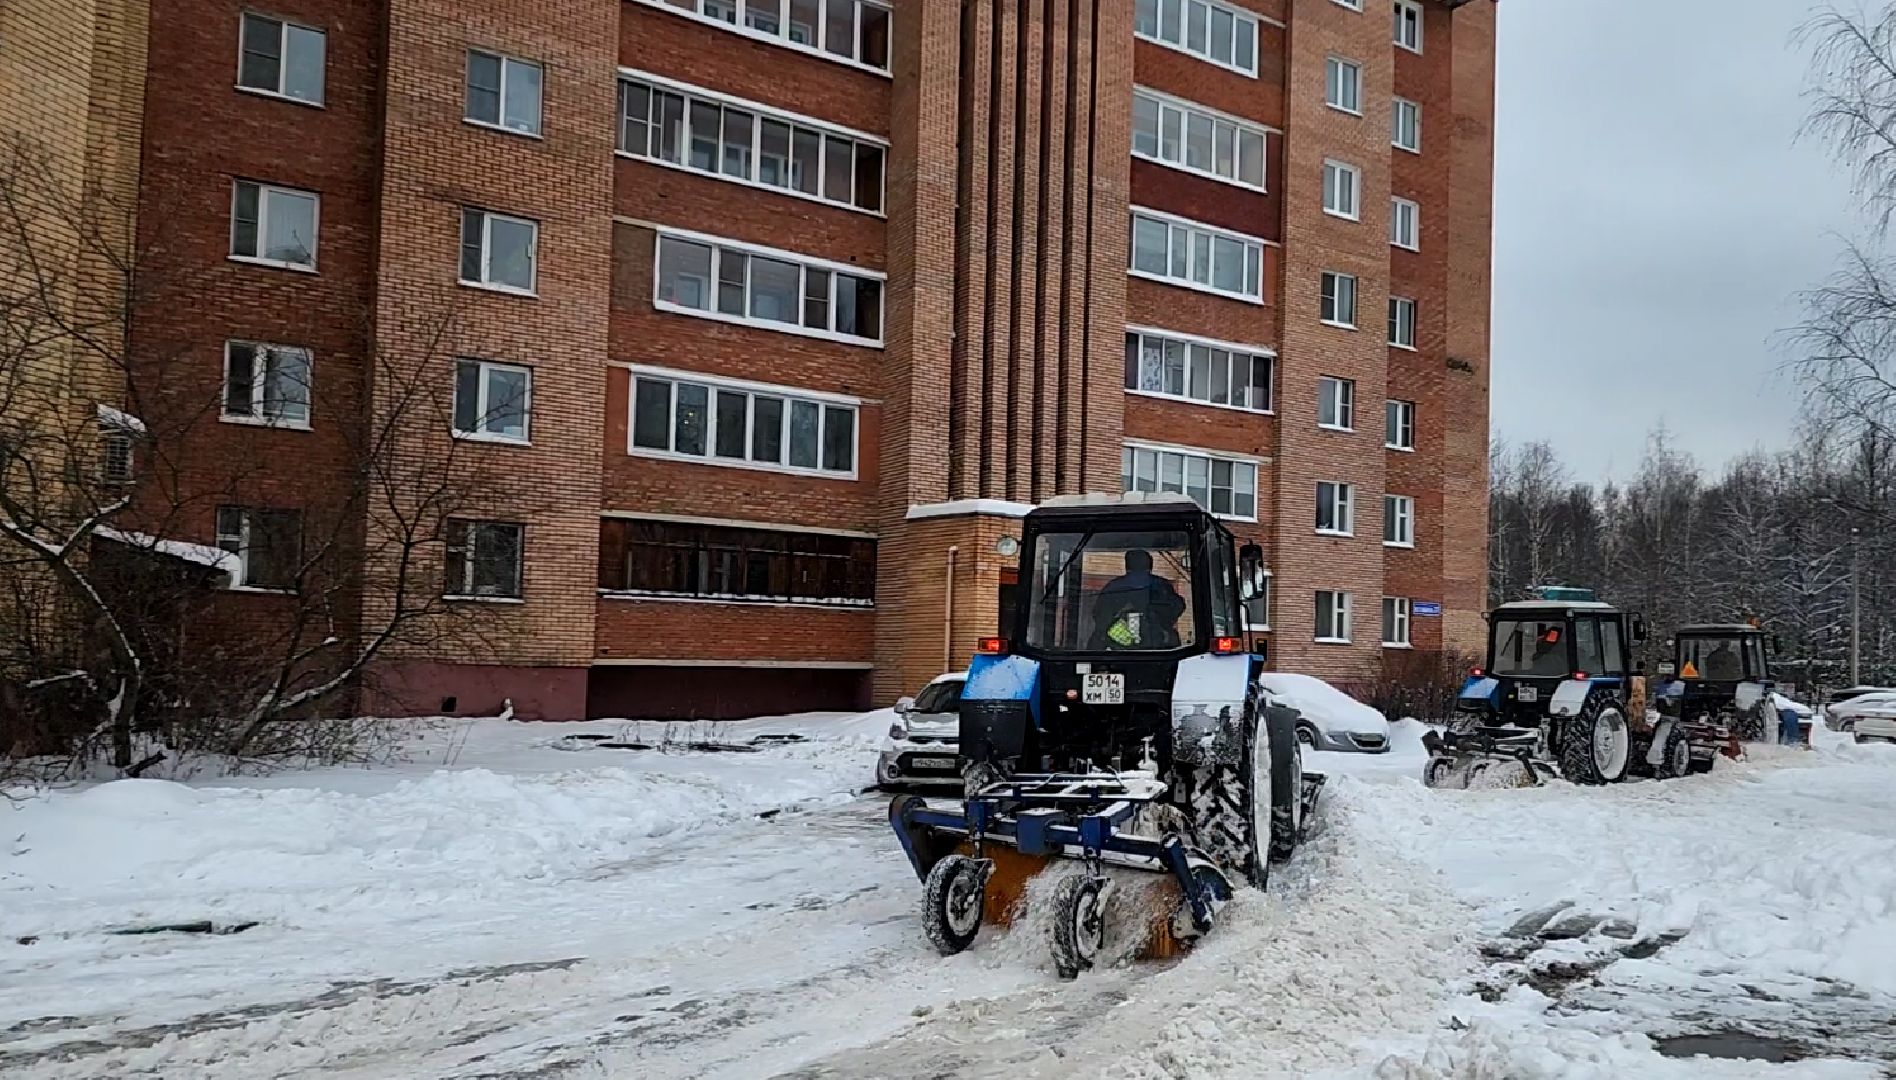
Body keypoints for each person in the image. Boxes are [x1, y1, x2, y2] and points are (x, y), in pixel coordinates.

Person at [1091, 549, 1186, 650]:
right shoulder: (1161, 585)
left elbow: (1099, 615)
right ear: (1150, 565)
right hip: (1159, 651)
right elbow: (1178, 607)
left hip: (1121, 652)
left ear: (1127, 565)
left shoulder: (1113, 587)